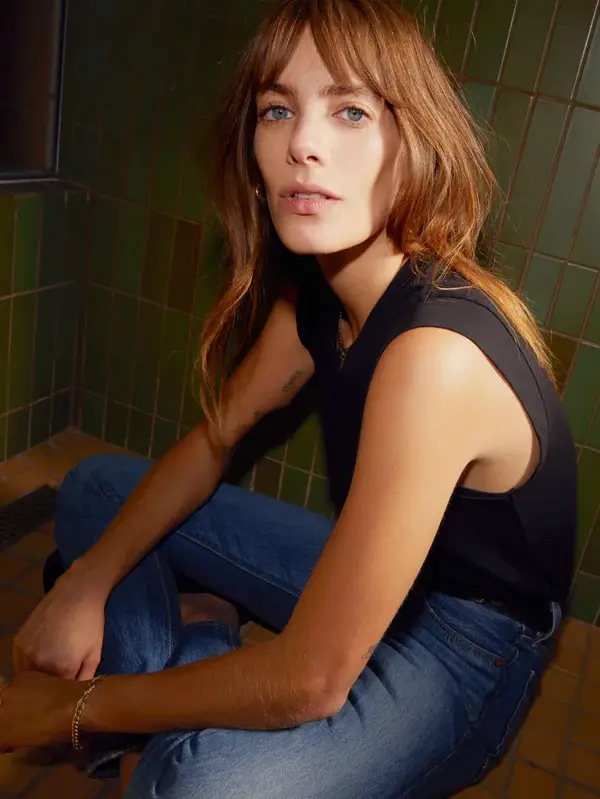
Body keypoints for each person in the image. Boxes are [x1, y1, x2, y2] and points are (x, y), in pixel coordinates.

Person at [0, 0, 577, 797]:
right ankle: (174, 681)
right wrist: (86, 582)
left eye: (350, 111)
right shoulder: (317, 299)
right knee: (97, 488)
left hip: (468, 642)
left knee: (200, 785)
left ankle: (184, 664)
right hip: (368, 573)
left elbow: (310, 679)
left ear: (415, 144)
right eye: (278, 110)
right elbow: (216, 439)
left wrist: (73, 710)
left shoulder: (436, 357)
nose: (303, 142)